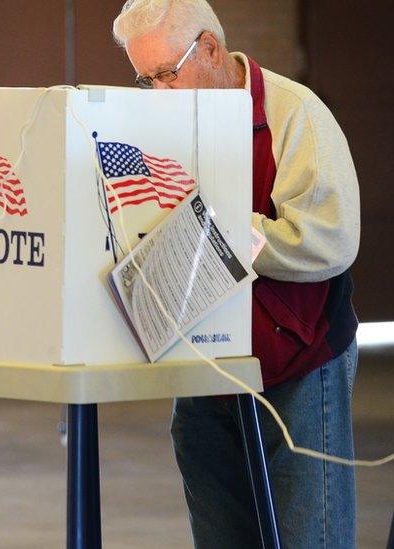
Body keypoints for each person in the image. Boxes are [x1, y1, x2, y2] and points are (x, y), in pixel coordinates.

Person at [112, 1, 360, 547]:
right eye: (144, 78)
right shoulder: (167, 118)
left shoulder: (296, 115)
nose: (157, 93)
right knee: (223, 534)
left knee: (308, 536)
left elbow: (330, 241)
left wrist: (216, 225)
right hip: (206, 362)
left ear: (209, 48)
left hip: (300, 361)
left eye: (165, 74)